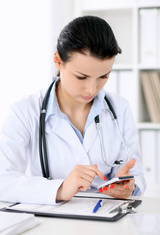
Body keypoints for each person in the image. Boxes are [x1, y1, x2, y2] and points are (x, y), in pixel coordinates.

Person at [0, 16, 146, 205]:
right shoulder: (26, 111)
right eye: (81, 77)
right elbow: (3, 180)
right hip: (52, 224)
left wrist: (129, 186)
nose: (92, 89)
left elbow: (136, 173)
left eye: (103, 77)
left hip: (108, 219)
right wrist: (60, 189)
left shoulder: (119, 108)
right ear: (58, 61)